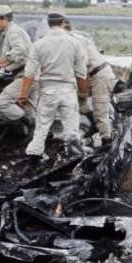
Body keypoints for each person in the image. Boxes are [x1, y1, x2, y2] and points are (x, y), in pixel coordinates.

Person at [19, 13, 88, 165]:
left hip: (48, 91)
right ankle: (75, 162)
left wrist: (23, 95)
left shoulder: (39, 44)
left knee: (41, 128)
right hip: (68, 91)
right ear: (63, 23)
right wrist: (83, 93)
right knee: (71, 130)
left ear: (49, 24)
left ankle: (33, 162)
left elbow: (29, 74)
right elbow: (82, 73)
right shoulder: (74, 43)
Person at [63, 18, 116, 141]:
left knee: (100, 111)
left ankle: (106, 140)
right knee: (79, 105)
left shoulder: (77, 41)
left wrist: (83, 92)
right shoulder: (69, 41)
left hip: (99, 75)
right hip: (89, 75)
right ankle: (94, 126)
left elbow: (82, 69)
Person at [0, 5, 36, 132]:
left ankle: (30, 124)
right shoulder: (10, 32)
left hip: (27, 74)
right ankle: (34, 136)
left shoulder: (13, 32)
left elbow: (20, 51)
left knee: (2, 102)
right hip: (28, 73)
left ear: (4, 19)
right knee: (27, 106)